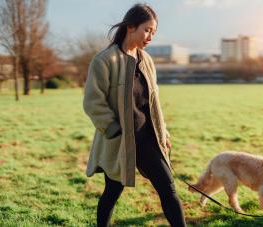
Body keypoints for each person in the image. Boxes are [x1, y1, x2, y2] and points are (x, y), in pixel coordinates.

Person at [83, 3, 187, 227]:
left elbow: (154, 101)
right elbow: (93, 102)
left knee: (168, 188)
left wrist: (163, 132)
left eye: (153, 32)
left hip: (148, 139)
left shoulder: (147, 60)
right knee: (112, 191)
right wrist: (114, 130)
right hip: (120, 141)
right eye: (147, 29)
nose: (150, 36)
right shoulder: (104, 61)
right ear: (130, 26)